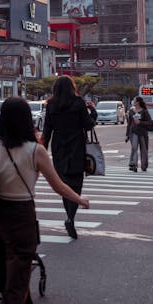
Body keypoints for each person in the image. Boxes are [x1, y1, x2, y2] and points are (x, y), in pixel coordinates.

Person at [0, 98, 90, 304]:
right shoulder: (36, 150)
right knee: (18, 278)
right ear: (27, 120)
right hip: (22, 215)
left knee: (7, 274)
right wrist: (79, 199)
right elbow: (58, 186)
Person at [41, 75, 96, 240]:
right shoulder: (78, 103)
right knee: (76, 182)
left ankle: (68, 214)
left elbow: (47, 129)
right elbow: (88, 125)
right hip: (76, 146)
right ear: (72, 87)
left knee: (63, 183)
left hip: (59, 147)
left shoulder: (51, 105)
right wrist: (93, 112)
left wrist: (42, 150)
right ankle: (71, 217)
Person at [125, 96, 152, 172]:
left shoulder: (144, 111)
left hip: (143, 133)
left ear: (138, 102)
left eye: (134, 100)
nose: (133, 101)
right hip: (133, 132)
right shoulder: (131, 111)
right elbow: (129, 123)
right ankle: (134, 164)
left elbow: (150, 122)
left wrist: (140, 122)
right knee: (134, 148)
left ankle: (144, 165)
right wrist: (127, 135)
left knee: (143, 149)